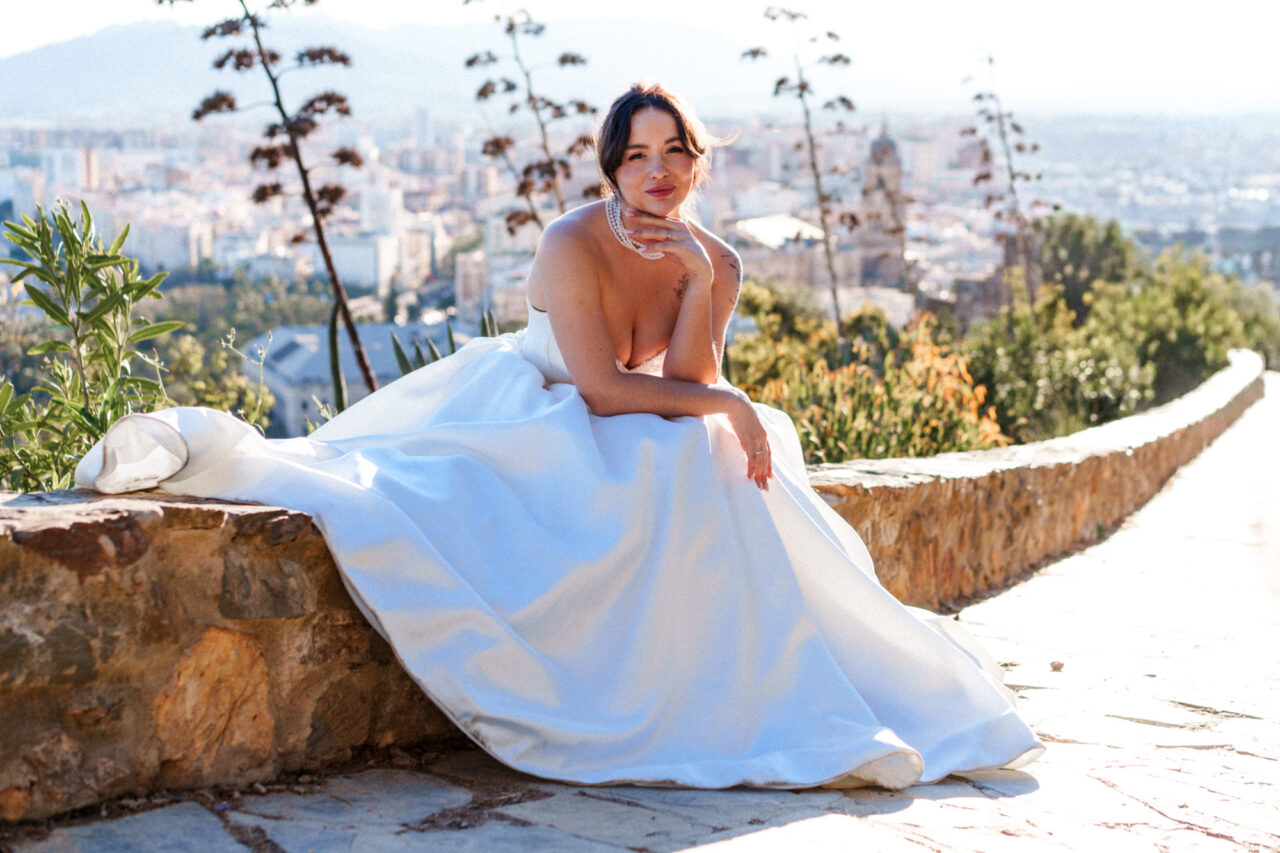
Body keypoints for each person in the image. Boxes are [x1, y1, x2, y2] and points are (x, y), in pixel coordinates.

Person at [77, 83, 1043, 790]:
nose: (656, 173)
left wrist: (705, 291)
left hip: (632, 410)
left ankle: (742, 691)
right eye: (635, 156)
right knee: (679, 447)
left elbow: (688, 383)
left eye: (674, 154)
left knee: (711, 454)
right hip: (534, 401)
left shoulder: (720, 258)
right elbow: (599, 386)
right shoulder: (571, 243)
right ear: (611, 166)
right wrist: (729, 408)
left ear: (698, 163)